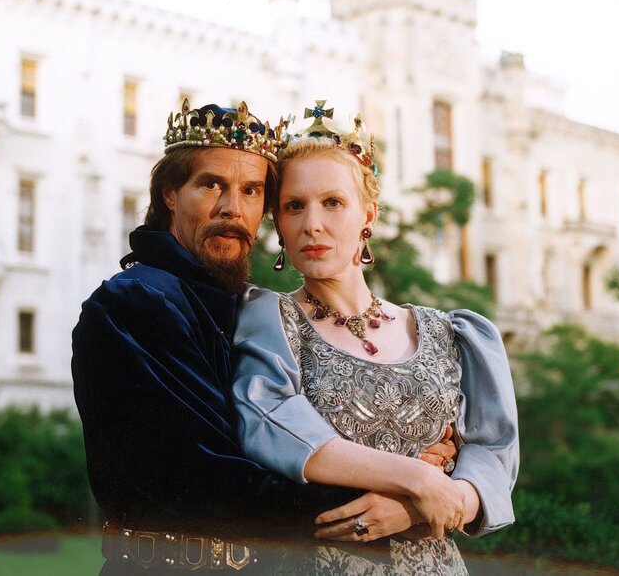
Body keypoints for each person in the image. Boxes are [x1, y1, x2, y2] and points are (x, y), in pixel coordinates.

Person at [71, 99, 456, 575]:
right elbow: (205, 478)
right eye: (211, 185)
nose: (233, 208)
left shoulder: (244, 308)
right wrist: (399, 499)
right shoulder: (136, 302)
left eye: (251, 191)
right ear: (170, 193)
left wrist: (414, 464)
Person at [232, 102, 519, 575]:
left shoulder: (450, 332)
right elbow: (271, 426)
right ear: (278, 225)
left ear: (368, 214)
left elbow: (492, 456)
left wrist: (419, 509)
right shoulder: (269, 320)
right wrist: (417, 478)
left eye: (333, 202)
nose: (312, 224)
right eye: (294, 206)